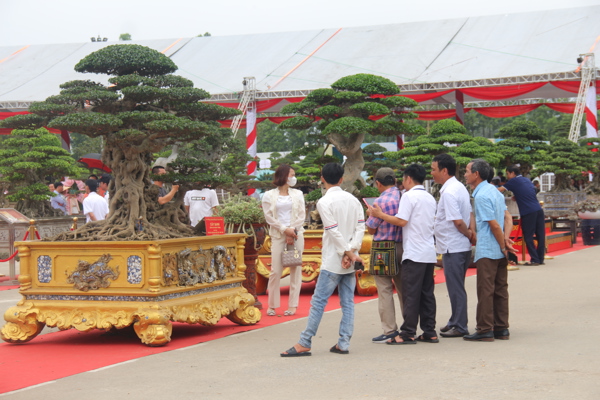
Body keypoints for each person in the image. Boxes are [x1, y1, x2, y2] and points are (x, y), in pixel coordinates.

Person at [281, 163, 364, 357]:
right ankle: (343, 342)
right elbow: (360, 228)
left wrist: (346, 253)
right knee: (348, 302)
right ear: (342, 179)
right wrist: (352, 252)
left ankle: (305, 341)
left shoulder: (324, 202)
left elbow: (332, 231)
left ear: (323, 178)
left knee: (318, 302)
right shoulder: (354, 200)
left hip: (334, 260)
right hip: (349, 260)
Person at [370, 164, 438, 345]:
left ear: (408, 179)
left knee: (410, 293)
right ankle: (429, 330)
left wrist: (379, 214)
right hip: (428, 251)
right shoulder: (429, 197)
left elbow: (401, 221)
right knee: (426, 294)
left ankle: (407, 332)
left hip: (413, 251)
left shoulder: (408, 196)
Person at [464, 159, 513, 342]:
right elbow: (507, 219)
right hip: (500, 249)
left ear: (476, 174)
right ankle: (501, 327)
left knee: (486, 290)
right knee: (500, 289)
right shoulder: (494, 191)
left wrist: (502, 243)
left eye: (467, 171)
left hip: (488, 248)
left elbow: (493, 225)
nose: (465, 174)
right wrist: (506, 242)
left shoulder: (482, 196)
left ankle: (485, 328)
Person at [431, 154, 474, 338]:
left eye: (434, 169)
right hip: (457, 245)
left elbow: (457, 221)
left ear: (444, 170)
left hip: (454, 245)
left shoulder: (449, 192)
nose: (432, 173)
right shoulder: (459, 187)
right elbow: (469, 213)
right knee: (456, 287)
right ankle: (455, 320)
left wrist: (468, 233)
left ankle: (460, 325)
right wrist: (470, 232)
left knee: (456, 288)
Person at [365, 167, 404, 343]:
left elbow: (371, 229)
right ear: (395, 181)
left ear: (378, 183)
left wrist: (369, 215)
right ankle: (408, 327)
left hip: (382, 248)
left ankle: (390, 330)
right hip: (403, 246)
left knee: (385, 290)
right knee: (404, 289)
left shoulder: (379, 202)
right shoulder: (404, 197)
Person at [262, 165, 306, 317]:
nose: (293, 177)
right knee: (275, 270)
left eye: (294, 174)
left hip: (296, 235)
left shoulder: (298, 194)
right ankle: (272, 305)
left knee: (295, 269)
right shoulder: (269, 195)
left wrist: (292, 230)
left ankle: (293, 305)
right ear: (283, 176)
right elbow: (269, 217)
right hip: (278, 235)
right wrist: (284, 229)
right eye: (291, 174)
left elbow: (302, 215)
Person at [499, 165, 545, 265]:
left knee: (528, 236)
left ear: (512, 173)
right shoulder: (526, 180)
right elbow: (532, 191)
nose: (507, 176)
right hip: (538, 209)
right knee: (540, 235)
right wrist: (518, 195)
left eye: (507, 174)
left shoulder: (513, 181)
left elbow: (498, 190)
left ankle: (535, 259)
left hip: (528, 211)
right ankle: (540, 258)